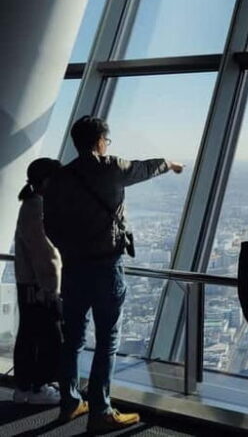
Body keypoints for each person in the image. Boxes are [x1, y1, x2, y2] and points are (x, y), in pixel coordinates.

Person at [43, 116, 183, 431]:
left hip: (75, 268)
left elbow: (49, 225)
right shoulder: (111, 168)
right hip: (106, 267)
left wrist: (70, 250)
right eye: (107, 140)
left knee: (73, 339)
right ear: (100, 141)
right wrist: (170, 164)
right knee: (107, 340)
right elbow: (145, 168)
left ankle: (70, 403)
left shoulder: (61, 179)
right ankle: (101, 410)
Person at [13, 157, 63, 405]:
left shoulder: (31, 204)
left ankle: (26, 386)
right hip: (39, 286)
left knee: (30, 334)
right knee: (46, 336)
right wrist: (51, 289)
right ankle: (38, 387)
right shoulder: (38, 207)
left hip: (30, 284)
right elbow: (46, 254)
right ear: (47, 181)